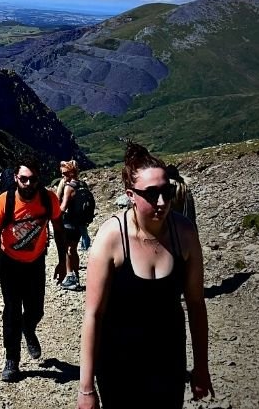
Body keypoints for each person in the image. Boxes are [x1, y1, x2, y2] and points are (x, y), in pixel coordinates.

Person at [76, 143, 212, 408]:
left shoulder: (184, 234)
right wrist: (86, 388)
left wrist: (201, 367)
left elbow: (196, 304)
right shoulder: (111, 238)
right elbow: (93, 314)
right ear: (131, 195)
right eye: (151, 194)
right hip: (118, 361)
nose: (161, 202)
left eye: (166, 192)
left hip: (168, 359)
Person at [0, 156, 67, 383]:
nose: (28, 184)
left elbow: (59, 229)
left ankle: (29, 327)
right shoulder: (3, 202)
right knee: (12, 310)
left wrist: (63, 262)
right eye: (23, 179)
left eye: (32, 179)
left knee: (36, 310)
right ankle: (11, 360)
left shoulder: (49, 199)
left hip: (36, 262)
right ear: (16, 178)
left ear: (38, 179)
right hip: (9, 263)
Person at [56, 160, 90, 289]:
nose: (63, 175)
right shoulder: (83, 184)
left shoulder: (69, 187)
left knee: (68, 250)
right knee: (74, 250)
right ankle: (76, 276)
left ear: (71, 172)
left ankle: (70, 278)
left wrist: (53, 215)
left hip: (69, 222)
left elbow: (63, 207)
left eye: (65, 173)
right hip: (79, 223)